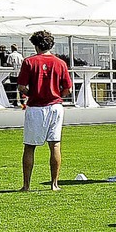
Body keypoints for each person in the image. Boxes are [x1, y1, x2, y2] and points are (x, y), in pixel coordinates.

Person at [17, 30, 72, 191]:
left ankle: (26, 185)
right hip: (55, 106)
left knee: (29, 146)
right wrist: (56, 94)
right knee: (55, 145)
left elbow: (21, 87)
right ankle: (54, 184)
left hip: (35, 107)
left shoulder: (29, 62)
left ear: (35, 45)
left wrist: (33, 93)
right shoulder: (60, 63)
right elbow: (67, 89)